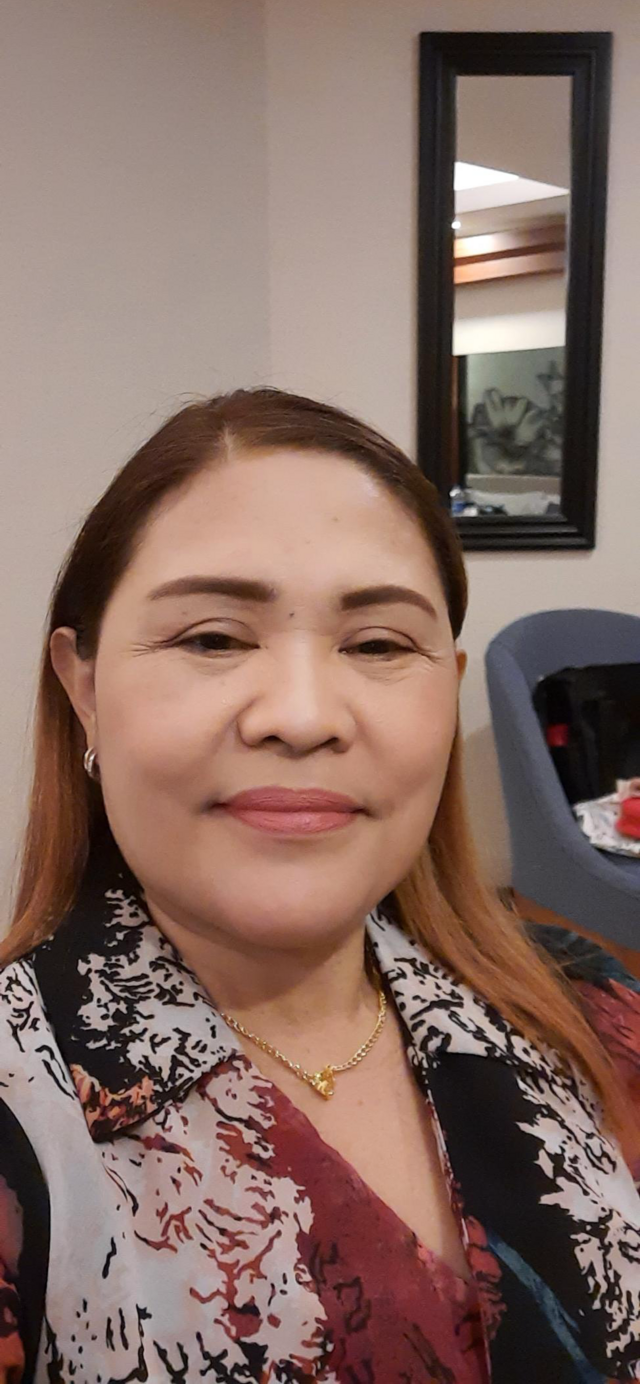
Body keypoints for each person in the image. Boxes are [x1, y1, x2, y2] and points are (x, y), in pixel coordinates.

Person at [0, 388, 638, 1384]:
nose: (301, 717)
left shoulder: (590, 1010)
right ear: (83, 687)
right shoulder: (24, 1110)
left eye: (379, 644)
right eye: (212, 638)